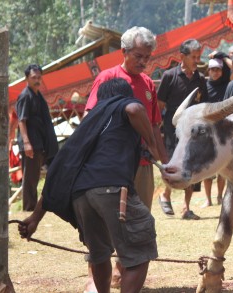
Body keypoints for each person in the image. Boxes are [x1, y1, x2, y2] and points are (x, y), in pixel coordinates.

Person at [18, 78, 160, 293]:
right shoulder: (124, 105)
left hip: (81, 196)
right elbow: (133, 108)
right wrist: (151, 141)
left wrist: (35, 218)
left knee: (99, 254)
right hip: (112, 189)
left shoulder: (89, 124)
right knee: (139, 253)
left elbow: (60, 173)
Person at [83, 26, 167, 292]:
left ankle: (123, 273)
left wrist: (165, 164)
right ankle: (96, 280)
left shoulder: (148, 84)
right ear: (125, 52)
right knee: (104, 224)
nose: (144, 62)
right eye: (139, 56)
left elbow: (154, 127)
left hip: (141, 166)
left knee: (136, 223)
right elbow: (90, 120)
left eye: (147, 57)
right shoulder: (108, 79)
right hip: (110, 168)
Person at [157, 38, 209, 220]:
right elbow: (160, 104)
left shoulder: (200, 79)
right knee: (173, 164)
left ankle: (186, 208)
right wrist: (159, 128)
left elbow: (204, 105)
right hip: (173, 131)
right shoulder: (169, 76)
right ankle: (165, 194)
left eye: (198, 56)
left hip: (193, 132)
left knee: (191, 165)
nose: (197, 60)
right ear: (182, 57)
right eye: (193, 57)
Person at [16, 64, 58, 211]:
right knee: (30, 179)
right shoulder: (25, 96)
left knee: (34, 177)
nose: (37, 80)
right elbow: (21, 120)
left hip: (39, 143)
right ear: (27, 78)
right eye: (34, 77)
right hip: (31, 144)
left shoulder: (38, 95)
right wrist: (27, 143)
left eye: (39, 77)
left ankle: (32, 207)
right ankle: (28, 208)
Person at [202, 58, 230, 207]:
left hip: (222, 128)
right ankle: (208, 199)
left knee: (222, 166)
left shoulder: (227, 85)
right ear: (209, 71)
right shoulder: (204, 86)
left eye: (218, 69)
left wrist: (222, 55)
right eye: (212, 69)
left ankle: (220, 196)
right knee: (206, 165)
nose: (215, 72)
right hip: (207, 128)